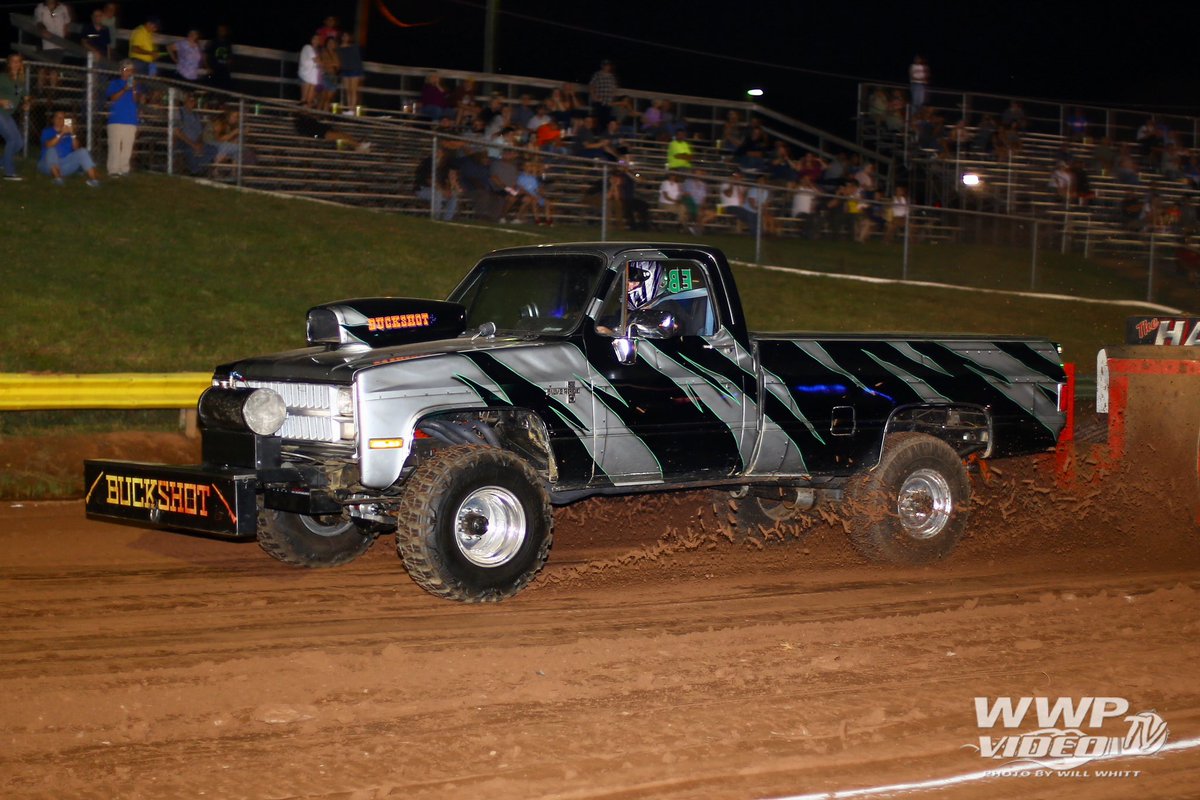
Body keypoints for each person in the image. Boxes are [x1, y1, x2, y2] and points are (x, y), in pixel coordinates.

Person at [39, 111, 101, 186]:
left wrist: (72, 134)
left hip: (65, 166)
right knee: (51, 150)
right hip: (48, 165)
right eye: (57, 117)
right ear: (53, 120)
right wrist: (61, 133)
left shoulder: (69, 134)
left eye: (62, 118)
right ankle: (58, 179)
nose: (60, 119)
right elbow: (48, 145)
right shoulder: (47, 131)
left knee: (83, 151)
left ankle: (94, 180)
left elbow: (76, 149)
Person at [106, 60, 142, 177]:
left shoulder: (136, 85)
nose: (129, 72)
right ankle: (113, 170)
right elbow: (113, 98)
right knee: (115, 146)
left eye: (131, 70)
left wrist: (134, 89)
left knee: (128, 147)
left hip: (131, 119)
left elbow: (137, 100)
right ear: (121, 70)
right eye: (126, 70)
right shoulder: (114, 83)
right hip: (116, 119)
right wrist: (125, 89)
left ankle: (124, 169)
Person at [0, 54, 31, 180]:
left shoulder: (20, 81)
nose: (16, 64)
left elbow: (26, 97)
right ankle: (9, 172)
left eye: (18, 61)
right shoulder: (3, 77)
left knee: (19, 143)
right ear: (9, 63)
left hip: (7, 115)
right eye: (13, 61)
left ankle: (2, 162)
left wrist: (27, 104)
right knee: (12, 140)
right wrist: (1, 101)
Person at [173, 92, 216, 174]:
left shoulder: (196, 115)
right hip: (183, 142)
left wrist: (198, 143)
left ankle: (199, 170)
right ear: (186, 100)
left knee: (212, 149)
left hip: (195, 142)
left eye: (194, 101)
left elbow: (200, 133)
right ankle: (195, 170)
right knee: (191, 150)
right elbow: (177, 132)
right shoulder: (179, 112)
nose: (193, 103)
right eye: (191, 100)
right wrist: (193, 144)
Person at [33, 0, 71, 92]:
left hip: (59, 44)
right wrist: (43, 31)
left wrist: (64, 37)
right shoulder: (40, 7)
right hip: (45, 43)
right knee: (42, 67)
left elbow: (67, 22)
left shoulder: (62, 7)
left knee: (54, 68)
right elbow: (38, 22)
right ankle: (40, 91)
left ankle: (53, 92)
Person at [294, 110, 371, 152]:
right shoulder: (303, 124)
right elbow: (310, 133)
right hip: (319, 134)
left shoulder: (309, 120)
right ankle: (359, 146)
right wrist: (316, 136)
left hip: (323, 131)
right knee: (341, 136)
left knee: (343, 135)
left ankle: (358, 144)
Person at [337, 32, 364, 111]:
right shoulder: (338, 48)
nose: (345, 37)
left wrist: (361, 73)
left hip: (355, 70)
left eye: (347, 36)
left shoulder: (354, 46)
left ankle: (352, 109)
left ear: (349, 37)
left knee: (353, 91)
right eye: (343, 36)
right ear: (341, 37)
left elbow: (358, 60)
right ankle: (349, 108)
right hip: (344, 71)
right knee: (348, 91)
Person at [588, 59, 618, 129]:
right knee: (598, 119)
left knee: (607, 119)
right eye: (605, 65)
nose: (607, 67)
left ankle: (604, 134)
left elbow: (614, 88)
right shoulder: (597, 74)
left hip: (608, 102)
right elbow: (591, 85)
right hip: (599, 101)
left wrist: (612, 99)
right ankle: (597, 134)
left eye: (608, 66)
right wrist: (594, 96)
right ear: (602, 66)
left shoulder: (612, 77)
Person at [207, 24, 235, 90]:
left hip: (224, 70)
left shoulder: (228, 43)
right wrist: (208, 67)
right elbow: (206, 55)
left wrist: (230, 64)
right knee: (212, 87)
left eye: (223, 30)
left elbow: (230, 56)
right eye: (220, 30)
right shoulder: (214, 42)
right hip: (214, 69)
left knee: (226, 88)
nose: (222, 32)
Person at [318, 36, 341, 112]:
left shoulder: (336, 54)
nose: (331, 44)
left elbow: (338, 66)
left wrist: (333, 64)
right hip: (326, 76)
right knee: (323, 98)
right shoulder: (324, 52)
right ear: (326, 44)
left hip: (334, 78)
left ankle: (324, 116)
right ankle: (317, 114)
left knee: (329, 99)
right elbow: (324, 64)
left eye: (333, 43)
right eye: (329, 43)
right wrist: (333, 64)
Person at [298, 34, 321, 108]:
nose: (316, 41)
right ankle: (301, 116)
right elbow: (317, 60)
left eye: (318, 39)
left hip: (312, 77)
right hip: (305, 76)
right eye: (314, 39)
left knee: (309, 100)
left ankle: (306, 115)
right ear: (311, 40)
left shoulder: (316, 51)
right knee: (304, 100)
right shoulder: (308, 47)